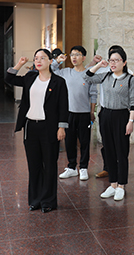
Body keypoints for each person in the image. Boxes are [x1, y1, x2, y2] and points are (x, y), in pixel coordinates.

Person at [5, 49, 69, 213]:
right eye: (36, 58)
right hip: (31, 126)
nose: (38, 61)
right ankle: (35, 200)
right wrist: (19, 64)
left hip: (50, 128)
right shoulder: (30, 77)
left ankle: (48, 201)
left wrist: (61, 127)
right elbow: (9, 79)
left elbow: (63, 106)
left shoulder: (58, 82)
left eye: (42, 58)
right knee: (34, 166)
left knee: (49, 165)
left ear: (50, 61)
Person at [85, 46, 134, 201]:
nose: (113, 63)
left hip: (122, 116)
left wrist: (131, 121)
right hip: (105, 115)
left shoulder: (130, 79)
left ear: (124, 62)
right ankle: (113, 184)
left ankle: (121, 185)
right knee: (109, 151)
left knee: (121, 152)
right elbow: (87, 77)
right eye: (111, 60)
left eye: (116, 60)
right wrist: (98, 65)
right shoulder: (105, 76)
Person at [54, 46, 98, 181]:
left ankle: (83, 167)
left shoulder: (89, 74)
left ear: (83, 58)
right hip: (68, 113)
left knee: (84, 142)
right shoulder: (65, 72)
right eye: (72, 54)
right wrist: (58, 61)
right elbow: (51, 70)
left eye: (77, 55)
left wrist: (92, 112)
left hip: (84, 113)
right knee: (69, 141)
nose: (74, 57)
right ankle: (72, 167)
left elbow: (93, 95)